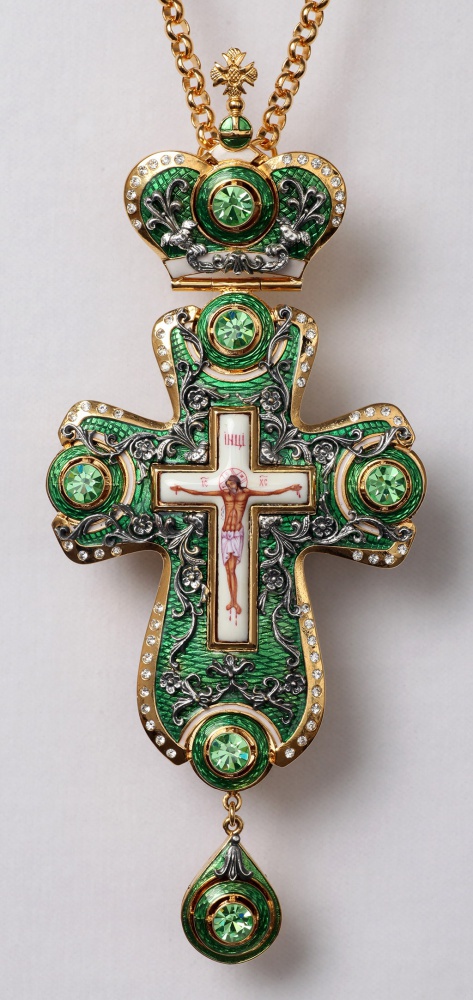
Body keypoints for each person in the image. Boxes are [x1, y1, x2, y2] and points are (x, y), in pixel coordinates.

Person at [170, 473, 302, 616]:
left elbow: (269, 493)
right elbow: (201, 493)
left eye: (231, 484)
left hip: (237, 534)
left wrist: (290, 488)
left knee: (232, 569)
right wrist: (181, 489)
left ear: (237, 482)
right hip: (225, 534)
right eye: (227, 484)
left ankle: (235, 601)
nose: (229, 487)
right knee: (228, 569)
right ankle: (232, 601)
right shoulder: (224, 494)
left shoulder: (246, 493)